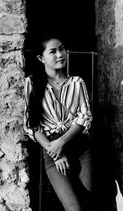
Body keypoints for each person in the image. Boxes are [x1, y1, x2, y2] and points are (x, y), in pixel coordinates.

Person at [24, 34, 93, 211]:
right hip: (52, 151)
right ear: (41, 58)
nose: (60, 54)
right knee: (73, 207)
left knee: (88, 203)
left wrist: (61, 142)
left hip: (80, 147)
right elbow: (32, 125)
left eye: (61, 49)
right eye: (53, 51)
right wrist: (55, 152)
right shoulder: (32, 83)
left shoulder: (77, 82)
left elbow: (85, 117)